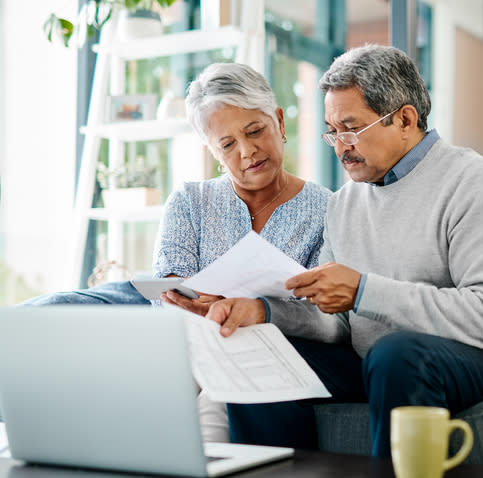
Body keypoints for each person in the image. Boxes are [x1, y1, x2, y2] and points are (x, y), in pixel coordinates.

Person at [202, 45, 483, 457]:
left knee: (396, 352)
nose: (340, 145)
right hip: (382, 364)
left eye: (351, 128)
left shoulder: (472, 182)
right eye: (332, 130)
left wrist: (364, 291)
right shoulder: (346, 203)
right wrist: (265, 312)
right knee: (258, 348)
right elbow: (342, 325)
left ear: (405, 119)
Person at [18, 62, 333, 442]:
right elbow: (167, 296)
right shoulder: (189, 200)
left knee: (212, 399)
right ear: (213, 151)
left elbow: (322, 313)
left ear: (279, 122)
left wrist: (245, 308)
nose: (248, 151)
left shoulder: (327, 209)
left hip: (266, 347)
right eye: (228, 144)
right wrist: (198, 305)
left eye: (255, 131)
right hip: (189, 343)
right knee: (56, 317)